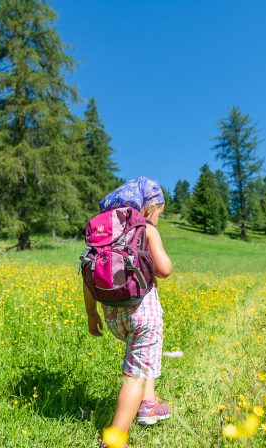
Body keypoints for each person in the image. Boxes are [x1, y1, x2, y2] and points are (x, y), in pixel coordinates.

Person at [83, 177, 173, 447]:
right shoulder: (145, 228)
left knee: (141, 358)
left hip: (111, 312)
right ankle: (115, 438)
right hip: (142, 312)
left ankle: (149, 404)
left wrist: (91, 314)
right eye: (158, 213)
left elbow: (87, 275)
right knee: (134, 373)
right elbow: (165, 269)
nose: (157, 219)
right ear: (147, 208)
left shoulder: (104, 233)